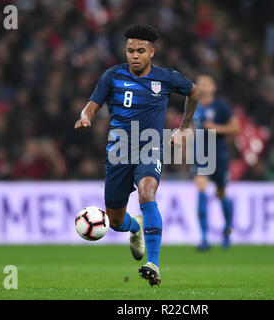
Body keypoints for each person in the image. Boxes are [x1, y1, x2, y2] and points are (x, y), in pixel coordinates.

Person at [74, 24, 199, 286]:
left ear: (152, 52)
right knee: (116, 221)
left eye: (141, 51)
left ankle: (153, 262)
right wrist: (85, 116)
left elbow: (194, 92)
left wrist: (184, 127)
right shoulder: (112, 76)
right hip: (118, 152)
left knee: (147, 193)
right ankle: (135, 227)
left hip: (150, 147)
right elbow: (92, 104)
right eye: (130, 50)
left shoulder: (165, 78)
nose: (135, 55)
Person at [192, 74, 240, 250]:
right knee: (201, 190)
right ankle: (204, 238)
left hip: (219, 156)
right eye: (200, 82)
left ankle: (227, 229)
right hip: (200, 156)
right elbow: (188, 127)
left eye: (207, 83)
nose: (203, 85)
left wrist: (217, 128)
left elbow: (236, 127)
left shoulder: (221, 106)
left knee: (221, 194)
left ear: (213, 87)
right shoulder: (192, 105)